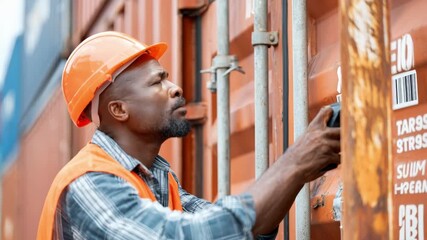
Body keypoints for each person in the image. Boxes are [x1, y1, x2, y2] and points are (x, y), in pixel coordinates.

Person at [37, 31, 341, 240]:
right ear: (118, 109)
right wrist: (294, 162)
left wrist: (300, 168)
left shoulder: (156, 180)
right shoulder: (89, 183)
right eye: (157, 82)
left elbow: (239, 230)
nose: (176, 88)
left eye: (167, 77)